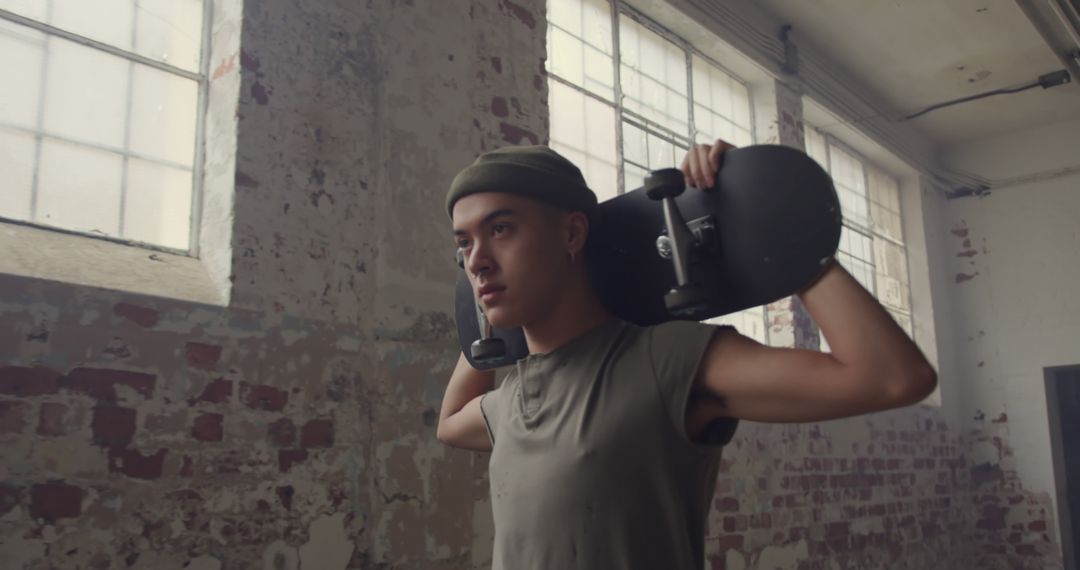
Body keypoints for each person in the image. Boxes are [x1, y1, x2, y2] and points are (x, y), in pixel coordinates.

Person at [437, 140, 936, 569]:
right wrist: (484, 322)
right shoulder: (514, 396)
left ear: (571, 234)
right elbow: (449, 423)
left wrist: (761, 217)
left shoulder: (664, 360)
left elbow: (892, 377)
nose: (477, 261)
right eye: (465, 243)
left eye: (500, 230)